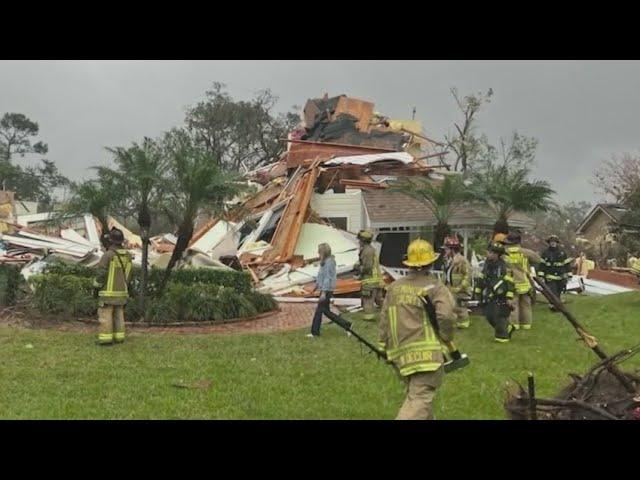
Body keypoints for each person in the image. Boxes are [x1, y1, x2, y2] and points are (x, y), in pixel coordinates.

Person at [377, 238, 457, 420]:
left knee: (418, 399)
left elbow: (384, 319)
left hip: (401, 357)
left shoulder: (394, 288)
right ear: (430, 262)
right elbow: (445, 316)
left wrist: (382, 345)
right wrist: (446, 336)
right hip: (428, 358)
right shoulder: (436, 287)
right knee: (419, 400)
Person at [93, 228, 133, 345]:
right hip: (122, 292)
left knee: (105, 315)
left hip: (107, 293)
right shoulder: (128, 256)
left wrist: (96, 287)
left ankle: (106, 339)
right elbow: (129, 275)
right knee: (119, 315)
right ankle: (119, 337)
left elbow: (101, 274)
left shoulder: (108, 255)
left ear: (110, 241)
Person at [474, 242, 516, 343]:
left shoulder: (504, 267)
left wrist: (509, 297)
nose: (488, 254)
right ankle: (508, 327)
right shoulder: (487, 264)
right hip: (490, 294)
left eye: (491, 252)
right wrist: (477, 292)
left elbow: (510, 282)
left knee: (499, 316)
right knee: (489, 315)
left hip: (501, 295)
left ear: (497, 254)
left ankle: (502, 337)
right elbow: (482, 278)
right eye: (489, 252)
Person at [307, 243, 352, 338]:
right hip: (324, 289)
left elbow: (327, 278)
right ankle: (346, 324)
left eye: (319, 252)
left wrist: (323, 292)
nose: (318, 253)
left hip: (326, 290)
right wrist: (316, 286)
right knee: (326, 312)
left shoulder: (329, 262)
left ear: (324, 252)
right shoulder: (324, 262)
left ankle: (314, 332)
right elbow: (321, 276)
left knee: (319, 311)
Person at [503, 231, 541, 331]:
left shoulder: (503, 253)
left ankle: (514, 325)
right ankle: (526, 324)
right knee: (526, 305)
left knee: (513, 304)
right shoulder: (525, 252)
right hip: (525, 283)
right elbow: (538, 259)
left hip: (511, 283)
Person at [442, 235, 472, 328]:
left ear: (452, 249)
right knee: (450, 305)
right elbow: (446, 274)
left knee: (459, 306)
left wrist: (460, 287)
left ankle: (464, 322)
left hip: (459, 288)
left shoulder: (462, 260)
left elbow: (467, 275)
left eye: (446, 249)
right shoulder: (449, 260)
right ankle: (456, 321)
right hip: (450, 287)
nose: (445, 251)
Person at [355, 230, 384, 321]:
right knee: (379, 300)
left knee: (368, 300)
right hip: (377, 279)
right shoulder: (371, 249)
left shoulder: (366, 251)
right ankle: (388, 313)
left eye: (359, 240)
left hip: (369, 281)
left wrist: (357, 267)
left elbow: (367, 267)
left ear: (363, 240)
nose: (358, 242)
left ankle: (369, 318)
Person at [538, 235, 573, 310]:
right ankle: (555, 306)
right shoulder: (545, 253)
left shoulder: (562, 252)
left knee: (559, 291)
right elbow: (542, 265)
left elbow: (567, 264)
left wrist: (569, 274)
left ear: (557, 243)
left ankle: (555, 304)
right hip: (550, 277)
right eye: (551, 242)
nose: (553, 243)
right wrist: (541, 276)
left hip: (561, 276)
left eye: (554, 242)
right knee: (553, 292)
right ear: (549, 243)